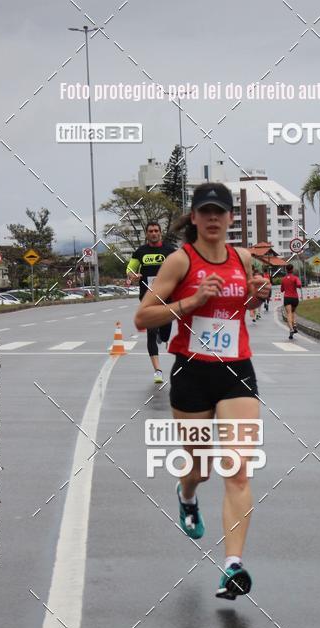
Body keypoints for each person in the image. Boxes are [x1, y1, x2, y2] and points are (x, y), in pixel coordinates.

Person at [134, 183, 271, 600]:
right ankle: (186, 493)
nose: (214, 218)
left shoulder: (242, 258)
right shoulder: (180, 260)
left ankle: (232, 565)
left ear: (231, 218)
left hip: (236, 372)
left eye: (221, 212)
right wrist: (190, 302)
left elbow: (243, 307)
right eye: (205, 211)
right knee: (200, 469)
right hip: (192, 373)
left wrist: (256, 295)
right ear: (193, 218)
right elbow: (143, 317)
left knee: (238, 468)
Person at [127, 222, 176, 384]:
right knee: (151, 332)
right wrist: (133, 276)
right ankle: (158, 371)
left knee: (165, 334)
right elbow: (130, 269)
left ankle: (162, 337)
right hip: (147, 298)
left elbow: (180, 268)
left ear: (160, 233)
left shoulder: (169, 251)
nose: (154, 233)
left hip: (167, 298)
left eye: (156, 231)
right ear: (146, 234)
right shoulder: (140, 252)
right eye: (150, 231)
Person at [280, 264, 302, 339]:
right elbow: (299, 285)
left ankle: (291, 329)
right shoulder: (295, 278)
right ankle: (294, 324)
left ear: (286, 270)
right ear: (292, 269)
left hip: (287, 298)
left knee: (288, 313)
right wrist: (295, 285)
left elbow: (282, 290)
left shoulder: (284, 279)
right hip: (295, 298)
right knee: (293, 312)